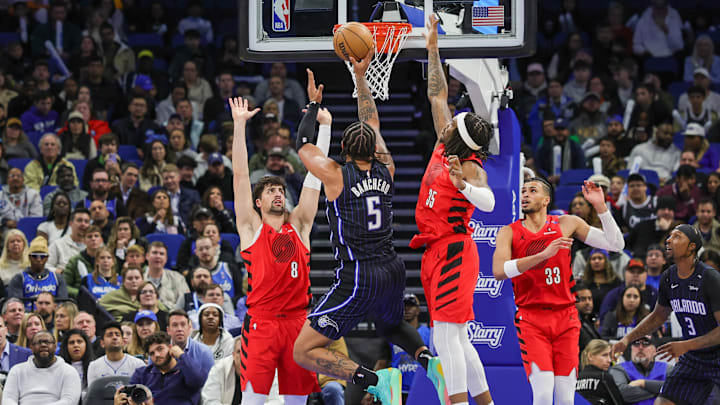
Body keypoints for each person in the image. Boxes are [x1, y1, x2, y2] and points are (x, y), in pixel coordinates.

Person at [292, 60, 438, 403]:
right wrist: (360, 77)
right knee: (389, 326)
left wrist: (312, 106)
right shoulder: (387, 165)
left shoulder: (335, 174)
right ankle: (428, 361)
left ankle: (371, 379)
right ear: (374, 148)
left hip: (359, 275)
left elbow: (302, 144)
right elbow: (371, 120)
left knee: (304, 351)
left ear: (343, 150)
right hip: (392, 267)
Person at [406, 14, 497, 405]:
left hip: (455, 250)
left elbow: (490, 202)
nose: (443, 125)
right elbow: (437, 95)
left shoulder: (472, 166)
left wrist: (462, 186)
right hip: (435, 249)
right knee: (457, 337)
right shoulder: (447, 145)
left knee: (444, 335)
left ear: (460, 140)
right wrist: (432, 48)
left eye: (450, 127)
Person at [493, 177, 625, 405]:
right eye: (523, 191)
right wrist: (542, 255)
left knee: (565, 397)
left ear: (546, 200)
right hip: (532, 318)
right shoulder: (509, 232)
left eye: (532, 191)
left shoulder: (566, 223)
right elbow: (499, 271)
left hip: (566, 317)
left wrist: (600, 207)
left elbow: (616, 245)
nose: (525, 194)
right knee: (543, 394)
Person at [230, 87, 324, 401]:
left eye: (280, 190)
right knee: (253, 400)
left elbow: (315, 178)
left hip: (298, 322)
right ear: (258, 202)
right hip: (262, 324)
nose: (277, 194)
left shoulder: (299, 224)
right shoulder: (251, 228)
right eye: (270, 191)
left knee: (297, 401)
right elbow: (241, 176)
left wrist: (324, 128)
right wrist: (240, 125)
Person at [612, 224, 720, 405]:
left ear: (691, 247)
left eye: (677, 237)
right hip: (693, 357)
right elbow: (658, 316)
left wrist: (686, 345)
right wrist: (627, 339)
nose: (669, 240)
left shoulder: (710, 278)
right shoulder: (669, 277)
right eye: (669, 236)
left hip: (716, 355)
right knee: (663, 402)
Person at [3, 331, 81, 405]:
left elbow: (69, 401)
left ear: (55, 346)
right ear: (31, 347)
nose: (43, 345)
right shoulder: (17, 370)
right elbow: (8, 399)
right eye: (39, 342)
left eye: (47, 342)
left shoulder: (69, 371)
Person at [8, 237, 69, 311]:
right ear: (29, 257)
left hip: (52, 318)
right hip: (26, 318)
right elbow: (16, 305)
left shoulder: (58, 278)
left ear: (47, 258)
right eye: (35, 256)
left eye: (42, 256)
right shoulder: (19, 278)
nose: (39, 259)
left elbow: (62, 305)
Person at [609, 335, 671, 404]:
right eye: (636, 344)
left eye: (646, 344)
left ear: (654, 350)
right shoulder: (619, 369)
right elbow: (621, 393)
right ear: (631, 349)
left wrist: (643, 383)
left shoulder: (667, 368)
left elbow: (677, 388)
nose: (640, 348)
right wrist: (659, 391)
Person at [87, 321, 146, 386]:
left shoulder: (138, 364)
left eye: (117, 335)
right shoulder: (94, 366)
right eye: (110, 335)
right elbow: (93, 393)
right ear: (102, 343)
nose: (114, 337)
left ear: (123, 341)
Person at [165, 309, 214, 379]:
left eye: (183, 325)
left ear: (189, 328)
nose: (179, 329)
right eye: (175, 325)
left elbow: (211, 382)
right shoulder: (159, 352)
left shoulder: (204, 352)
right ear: (168, 330)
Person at [194, 236, 242, 301]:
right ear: (196, 252)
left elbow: (240, 294)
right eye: (201, 249)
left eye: (207, 248)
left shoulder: (230, 268)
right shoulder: (194, 274)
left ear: (214, 249)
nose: (204, 251)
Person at [143, 241, 190, 308]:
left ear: (166, 259)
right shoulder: (138, 278)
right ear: (147, 256)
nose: (158, 256)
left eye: (161, 254)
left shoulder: (178, 278)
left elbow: (186, 304)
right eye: (154, 253)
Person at [575, 339, 623, 405]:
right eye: (604, 355)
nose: (609, 360)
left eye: (609, 355)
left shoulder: (576, 378)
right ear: (590, 356)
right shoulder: (604, 377)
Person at [201, 336, 246, 405]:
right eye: (238, 352)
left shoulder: (264, 370)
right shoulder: (219, 369)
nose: (242, 356)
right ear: (233, 355)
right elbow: (210, 401)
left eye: (246, 351)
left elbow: (269, 401)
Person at [62, 225, 104, 298]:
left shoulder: (109, 259)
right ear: (84, 241)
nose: (93, 239)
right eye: (89, 236)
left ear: (101, 240)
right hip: (81, 300)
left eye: (96, 236)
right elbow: (64, 286)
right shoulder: (74, 261)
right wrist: (82, 294)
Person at [48, 208, 90, 273]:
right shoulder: (58, 244)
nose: (83, 224)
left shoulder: (95, 245)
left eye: (86, 221)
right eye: (79, 220)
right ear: (71, 223)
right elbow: (46, 266)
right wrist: (60, 272)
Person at [582, 249, 622, 314]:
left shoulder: (616, 281)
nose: (596, 261)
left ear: (606, 261)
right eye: (593, 259)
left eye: (600, 258)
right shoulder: (584, 282)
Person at [576, 283, 601, 353]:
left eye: (590, 298)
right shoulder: (574, 324)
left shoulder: (591, 321)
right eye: (583, 299)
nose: (588, 302)